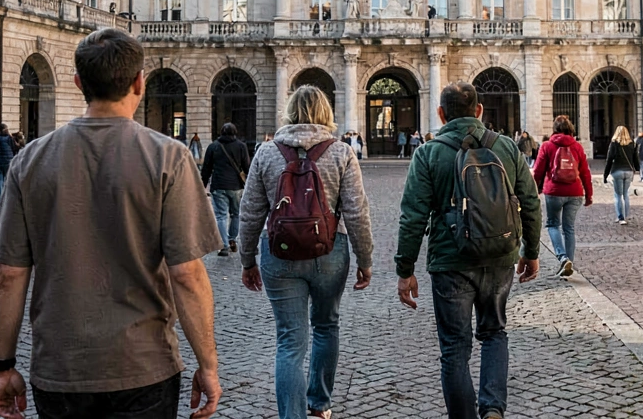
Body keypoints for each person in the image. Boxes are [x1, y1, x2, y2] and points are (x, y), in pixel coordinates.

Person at [0, 27, 223, 419]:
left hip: (60, 367)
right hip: (144, 363)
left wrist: (3, 366)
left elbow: (9, 275)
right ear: (139, 82)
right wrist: (208, 365)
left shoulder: (29, 160)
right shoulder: (169, 158)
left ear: (79, 83)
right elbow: (187, 275)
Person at [395, 81, 542, 419]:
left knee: (454, 349)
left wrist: (405, 269)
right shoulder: (506, 147)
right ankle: (492, 408)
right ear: (479, 110)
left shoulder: (428, 153)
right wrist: (531, 251)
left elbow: (413, 217)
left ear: (441, 114)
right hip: (499, 255)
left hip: (451, 259)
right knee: (494, 333)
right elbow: (531, 203)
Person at [237, 85, 374, 419]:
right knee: (326, 326)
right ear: (326, 113)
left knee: (289, 341)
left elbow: (250, 212)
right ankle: (320, 403)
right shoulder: (341, 152)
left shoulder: (266, 152)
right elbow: (356, 212)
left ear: (289, 112)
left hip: (279, 252)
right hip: (330, 250)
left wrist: (247, 259)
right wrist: (365, 259)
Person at [533, 115, 592, 278]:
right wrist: (589, 194)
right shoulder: (577, 147)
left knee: (552, 225)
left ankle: (563, 258)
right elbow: (585, 173)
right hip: (575, 192)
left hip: (554, 191)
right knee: (569, 228)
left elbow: (538, 171)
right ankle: (568, 264)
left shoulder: (547, 146)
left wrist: (534, 189)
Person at [201, 122, 249, 257]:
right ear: (235, 132)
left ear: (221, 132)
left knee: (221, 215)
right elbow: (247, 167)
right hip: (236, 186)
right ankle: (232, 239)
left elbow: (206, 168)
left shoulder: (213, 146)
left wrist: (202, 185)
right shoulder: (241, 146)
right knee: (235, 214)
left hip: (218, 185)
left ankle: (224, 245)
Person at [603, 126, 638, 225]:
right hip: (629, 171)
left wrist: (605, 175)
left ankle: (620, 217)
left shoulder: (614, 144)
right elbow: (635, 158)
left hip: (617, 171)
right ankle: (626, 215)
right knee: (625, 194)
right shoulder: (632, 144)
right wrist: (637, 168)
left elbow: (609, 160)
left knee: (618, 195)